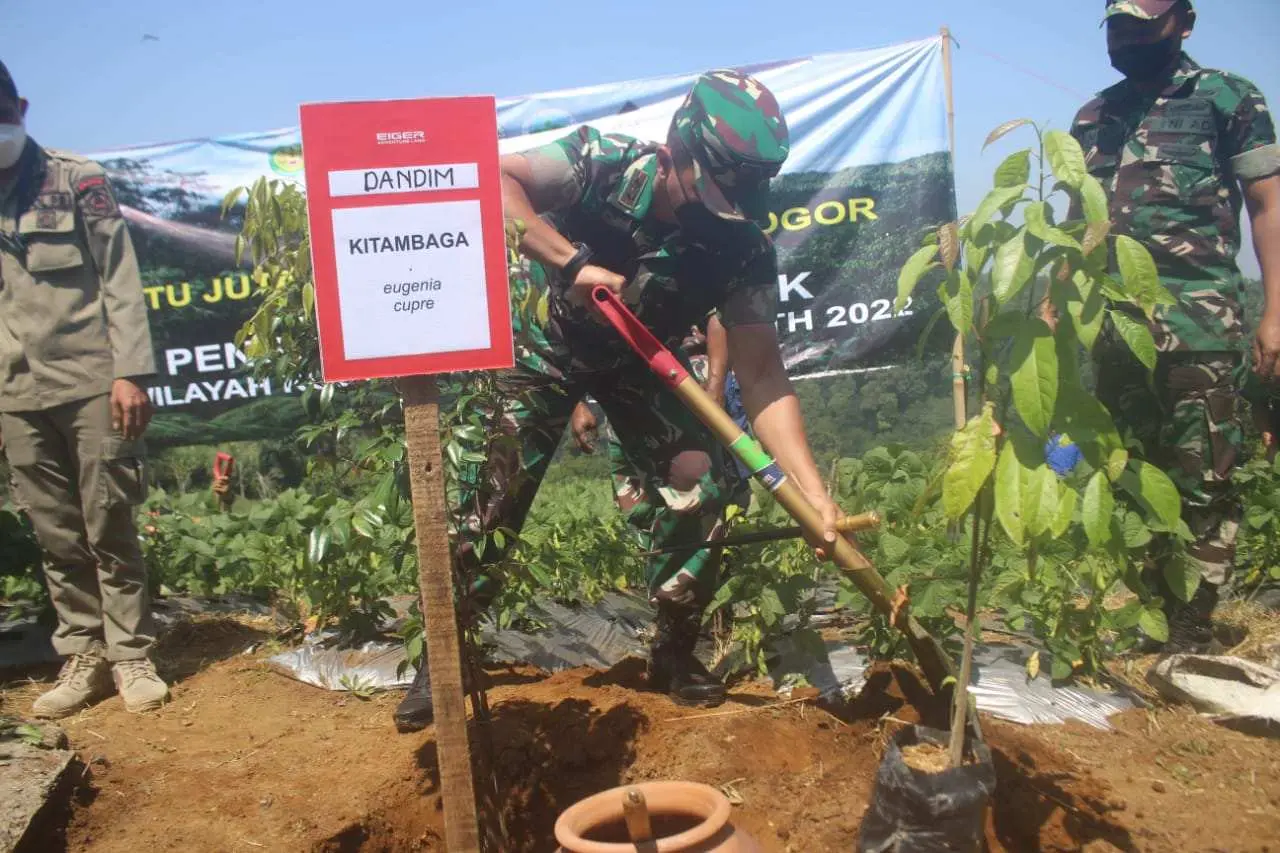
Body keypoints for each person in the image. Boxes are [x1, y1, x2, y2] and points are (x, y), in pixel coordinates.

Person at [393, 69, 842, 731]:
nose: (727, 208)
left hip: (642, 362)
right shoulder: (601, 162)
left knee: (705, 484)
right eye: (715, 189)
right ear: (677, 154)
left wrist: (810, 490)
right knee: (492, 484)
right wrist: (569, 263)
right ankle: (445, 656)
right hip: (551, 345)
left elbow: (764, 373)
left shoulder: (742, 245)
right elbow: (494, 179)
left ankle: (674, 654)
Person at [1067, 0, 1280, 650]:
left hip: (1202, 323)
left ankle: (1191, 624)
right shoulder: (1092, 119)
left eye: (1142, 23)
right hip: (1116, 331)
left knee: (1202, 473)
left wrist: (1276, 310)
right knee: (1129, 469)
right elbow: (1079, 229)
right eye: (1117, 26)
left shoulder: (1227, 98)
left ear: (1183, 22)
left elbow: (1267, 205)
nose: (1127, 36)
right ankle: (1153, 616)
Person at [0, 59, 169, 717]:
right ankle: (84, 652)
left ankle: (130, 652)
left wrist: (129, 370)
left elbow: (119, 280)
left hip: (90, 381)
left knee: (107, 518)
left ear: (22, 107)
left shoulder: (76, 180)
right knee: (54, 530)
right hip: (14, 392)